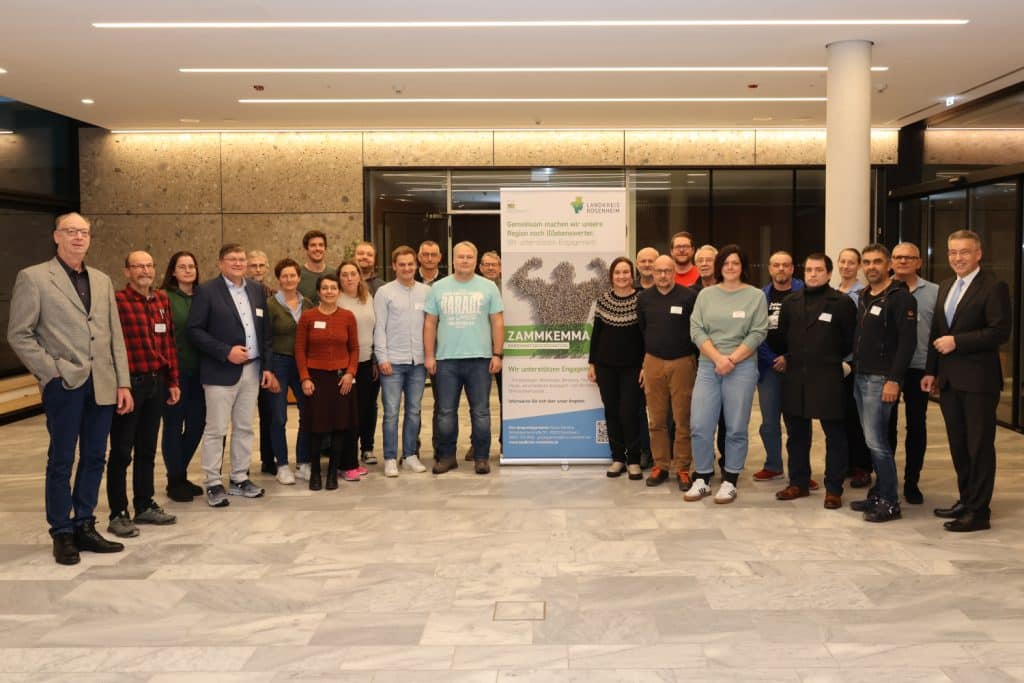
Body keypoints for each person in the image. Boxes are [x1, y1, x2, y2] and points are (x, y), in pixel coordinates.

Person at [7, 212, 132, 565]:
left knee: (95, 456)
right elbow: (19, 333)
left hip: (104, 383)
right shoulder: (34, 278)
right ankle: (61, 531)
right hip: (65, 383)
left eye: (84, 232)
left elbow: (114, 335)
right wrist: (52, 371)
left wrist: (122, 381)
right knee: (62, 459)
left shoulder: (102, 280)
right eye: (71, 231)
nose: (78, 237)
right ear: (56, 236)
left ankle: (85, 524)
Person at [923, 229, 1011, 532]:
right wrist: (931, 371)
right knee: (959, 446)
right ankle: (966, 499)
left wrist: (957, 342)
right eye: (952, 252)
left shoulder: (993, 286)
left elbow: (999, 332)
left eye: (964, 252)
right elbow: (937, 332)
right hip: (949, 382)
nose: (957, 258)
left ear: (978, 254)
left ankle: (979, 512)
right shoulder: (946, 285)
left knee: (979, 448)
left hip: (979, 383)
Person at [188, 243, 278, 508]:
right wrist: (225, 351)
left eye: (241, 259)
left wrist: (268, 368)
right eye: (232, 259)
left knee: (244, 427)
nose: (238, 263)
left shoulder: (256, 290)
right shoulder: (206, 291)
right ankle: (213, 483)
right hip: (220, 370)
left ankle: (239, 478)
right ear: (220, 263)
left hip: (252, 369)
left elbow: (266, 333)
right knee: (216, 429)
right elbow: (194, 330)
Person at [105, 251, 181, 538]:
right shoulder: (117, 301)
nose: (144, 270)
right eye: (138, 266)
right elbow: (111, 346)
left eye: (149, 265)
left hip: (156, 383)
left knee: (148, 449)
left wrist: (172, 379)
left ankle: (144, 503)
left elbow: (169, 342)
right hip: (129, 385)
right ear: (127, 272)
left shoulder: (161, 300)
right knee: (122, 450)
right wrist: (120, 385)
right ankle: (118, 511)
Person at [685, 244, 768, 504]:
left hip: (741, 367)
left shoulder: (755, 296)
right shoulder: (706, 295)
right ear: (719, 267)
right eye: (726, 263)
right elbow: (696, 329)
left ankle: (730, 479)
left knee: (735, 426)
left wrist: (731, 359)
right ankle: (702, 477)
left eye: (735, 262)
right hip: (709, 365)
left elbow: (758, 332)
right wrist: (718, 359)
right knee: (700, 424)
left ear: (743, 266)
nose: (730, 267)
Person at [775, 254, 856, 509]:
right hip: (796, 376)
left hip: (828, 376)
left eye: (818, 270)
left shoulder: (841, 302)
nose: (812, 274)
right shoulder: (791, 301)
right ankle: (798, 482)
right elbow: (783, 336)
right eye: (809, 269)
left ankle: (833, 488)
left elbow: (849, 339)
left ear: (829, 274)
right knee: (797, 434)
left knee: (835, 435)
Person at [848, 244, 917, 523]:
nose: (871, 266)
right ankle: (878, 494)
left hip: (882, 379)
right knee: (870, 439)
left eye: (877, 261)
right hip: (861, 376)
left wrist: (894, 380)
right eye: (867, 262)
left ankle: (890, 502)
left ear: (888, 265)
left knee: (878, 442)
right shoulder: (865, 295)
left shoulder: (900, 298)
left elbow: (907, 342)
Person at [424, 241, 504, 475]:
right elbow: (430, 323)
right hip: (446, 360)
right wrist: (429, 356)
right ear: (453, 259)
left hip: (480, 359)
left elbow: (497, 321)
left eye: (469, 257)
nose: (465, 261)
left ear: (475, 260)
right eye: (461, 257)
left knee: (480, 412)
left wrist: (497, 353)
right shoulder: (438, 288)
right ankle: (447, 457)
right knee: (446, 412)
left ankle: (481, 457)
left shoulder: (488, 287)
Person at [636, 255, 699, 490]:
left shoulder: (689, 296)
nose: (662, 275)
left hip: (683, 362)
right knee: (657, 418)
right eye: (658, 271)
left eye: (667, 271)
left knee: (683, 418)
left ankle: (683, 467)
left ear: (675, 272)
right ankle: (661, 465)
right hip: (653, 362)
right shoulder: (644, 299)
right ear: (652, 272)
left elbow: (696, 330)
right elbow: (643, 330)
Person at [295, 273, 360, 490]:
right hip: (316, 379)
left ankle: (333, 472)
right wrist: (305, 377)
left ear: (338, 292)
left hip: (342, 379)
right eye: (325, 288)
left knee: (340, 426)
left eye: (333, 288)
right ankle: (315, 472)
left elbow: (354, 348)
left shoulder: (348, 316)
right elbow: (300, 350)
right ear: (318, 292)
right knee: (316, 427)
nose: (329, 291)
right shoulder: (308, 317)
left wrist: (350, 373)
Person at [888, 242, 939, 505]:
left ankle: (912, 483)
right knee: (886, 426)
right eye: (897, 257)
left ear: (919, 262)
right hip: (888, 370)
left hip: (920, 369)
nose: (903, 261)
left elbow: (938, 334)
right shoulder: (882, 290)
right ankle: (887, 481)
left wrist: (935, 370)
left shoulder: (934, 292)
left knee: (916, 426)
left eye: (909, 258)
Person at [374, 246, 430, 477]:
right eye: (402, 264)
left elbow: (430, 326)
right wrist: (382, 357)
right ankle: (389, 458)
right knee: (391, 413)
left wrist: (429, 356)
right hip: (393, 363)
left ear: (415, 265)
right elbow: (380, 328)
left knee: (414, 411)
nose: (407, 268)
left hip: (418, 363)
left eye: (410, 264)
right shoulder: (384, 293)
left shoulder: (426, 292)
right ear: (394, 266)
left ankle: (409, 456)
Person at [588, 257, 645, 480]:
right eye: (617, 272)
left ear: (632, 275)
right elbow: (597, 334)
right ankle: (617, 459)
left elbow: (646, 335)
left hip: (633, 367)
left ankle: (633, 460)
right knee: (611, 412)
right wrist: (592, 363)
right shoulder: (603, 300)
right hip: (605, 367)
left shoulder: (642, 300)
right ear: (611, 276)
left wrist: (645, 365)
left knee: (629, 412)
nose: (622, 276)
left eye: (626, 272)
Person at [753, 251, 808, 484]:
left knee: (799, 422)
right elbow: (755, 332)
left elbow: (808, 332)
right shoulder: (760, 296)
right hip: (768, 368)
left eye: (786, 265)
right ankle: (773, 465)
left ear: (792, 269)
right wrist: (772, 358)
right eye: (776, 265)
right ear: (770, 269)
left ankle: (801, 473)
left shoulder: (805, 292)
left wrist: (788, 357)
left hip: (799, 367)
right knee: (769, 422)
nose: (781, 269)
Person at [160, 251, 207, 503]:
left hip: (202, 372)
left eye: (192, 266)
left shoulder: (204, 296)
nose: (188, 270)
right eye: (182, 266)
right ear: (173, 271)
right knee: (173, 426)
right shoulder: (164, 297)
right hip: (175, 373)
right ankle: (175, 479)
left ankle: (178, 474)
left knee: (197, 424)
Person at [266, 258, 313, 485]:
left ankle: (304, 462)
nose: (289, 280)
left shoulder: (309, 304)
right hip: (278, 363)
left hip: (303, 363)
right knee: (279, 415)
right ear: (278, 279)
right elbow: (264, 339)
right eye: (284, 276)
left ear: (299, 278)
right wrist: (268, 370)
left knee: (308, 412)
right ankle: (282, 465)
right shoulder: (270, 305)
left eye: (292, 275)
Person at [338, 260, 380, 467]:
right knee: (348, 409)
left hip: (367, 361)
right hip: (344, 364)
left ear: (359, 276)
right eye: (344, 274)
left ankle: (368, 447)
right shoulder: (335, 299)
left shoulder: (368, 298)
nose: (349, 278)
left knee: (368, 407)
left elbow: (376, 329)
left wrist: (375, 360)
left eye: (353, 274)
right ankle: (348, 452)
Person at [837, 247, 872, 489]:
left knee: (858, 417)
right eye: (843, 262)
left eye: (852, 262)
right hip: (834, 365)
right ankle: (845, 463)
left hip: (855, 364)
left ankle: (862, 466)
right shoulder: (831, 292)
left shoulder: (864, 294)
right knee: (839, 416)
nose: (847, 266)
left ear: (858, 266)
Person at [247, 248, 276, 475]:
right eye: (253, 265)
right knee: (242, 419)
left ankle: (268, 459)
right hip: (242, 364)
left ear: (267, 268)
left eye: (261, 265)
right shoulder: (239, 292)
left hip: (266, 362)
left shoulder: (272, 295)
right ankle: (241, 466)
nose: (257, 269)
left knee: (268, 414)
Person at [298, 230, 329, 303]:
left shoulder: (334, 273)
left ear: (325, 248)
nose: (317, 248)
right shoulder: (296, 274)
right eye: (313, 245)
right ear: (306, 248)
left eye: (321, 245)